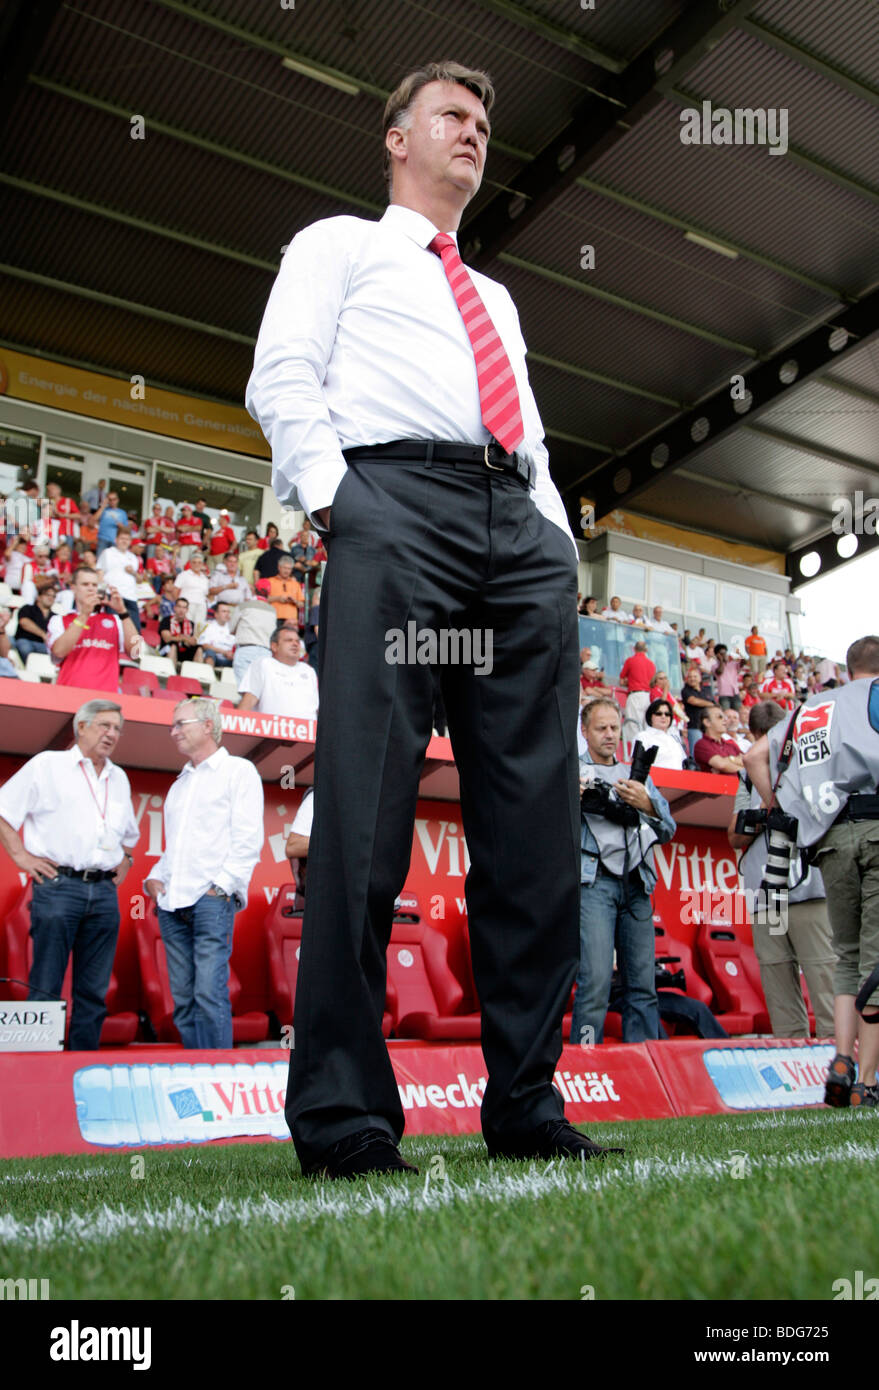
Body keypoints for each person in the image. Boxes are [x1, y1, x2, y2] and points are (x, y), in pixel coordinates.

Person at [246, 59, 614, 1176]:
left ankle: (526, 1104)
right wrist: (345, 506)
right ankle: (348, 1119)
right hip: (395, 509)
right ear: (398, 137)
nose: (477, 131)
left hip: (517, 532)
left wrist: (555, 546)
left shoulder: (496, 297)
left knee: (535, 830)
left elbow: (536, 445)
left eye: (486, 121)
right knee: (366, 816)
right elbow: (282, 376)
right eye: (454, 114)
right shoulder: (337, 244)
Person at [745, 636, 879, 1108]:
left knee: (847, 956)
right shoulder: (875, 696)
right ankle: (866, 1081)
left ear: (848, 667)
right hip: (876, 826)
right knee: (875, 963)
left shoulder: (812, 707)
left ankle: (841, 1060)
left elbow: (753, 757)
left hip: (830, 840)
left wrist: (778, 806)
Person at [0, 700, 138, 1049]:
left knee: (94, 989)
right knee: (46, 982)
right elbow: (4, 809)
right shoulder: (49, 765)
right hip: (58, 887)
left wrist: (127, 859)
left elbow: (129, 836)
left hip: (104, 892)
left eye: (118, 729)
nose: (112, 734)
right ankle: (37, 1067)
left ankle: (82, 1062)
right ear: (81, 726)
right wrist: (20, 855)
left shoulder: (118, 777)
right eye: (105, 725)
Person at [144, 698, 264, 1048]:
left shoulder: (239, 771)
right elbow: (174, 848)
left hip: (210, 901)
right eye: (173, 726)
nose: (174, 732)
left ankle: (216, 1074)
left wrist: (220, 889)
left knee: (209, 994)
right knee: (182, 1000)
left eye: (181, 724)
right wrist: (155, 876)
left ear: (208, 726)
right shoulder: (180, 783)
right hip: (171, 905)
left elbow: (248, 840)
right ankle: (194, 1071)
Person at [728, 700, 835, 1040]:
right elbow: (733, 835)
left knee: (825, 981)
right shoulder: (747, 777)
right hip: (767, 893)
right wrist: (764, 808)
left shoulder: (812, 765)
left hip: (808, 889)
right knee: (778, 985)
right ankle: (792, 1059)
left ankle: (843, 1062)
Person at [573, 699, 676, 1045]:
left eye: (614, 728)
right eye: (601, 728)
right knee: (595, 982)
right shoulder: (571, 772)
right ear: (584, 732)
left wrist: (645, 803)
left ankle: (646, 1066)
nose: (609, 735)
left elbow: (669, 829)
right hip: (594, 883)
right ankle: (585, 1062)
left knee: (643, 985)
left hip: (637, 884)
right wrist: (570, 799)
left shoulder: (635, 775)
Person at [47, 567, 140, 691]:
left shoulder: (115, 620)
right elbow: (59, 652)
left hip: (105, 697)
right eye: (85, 584)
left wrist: (123, 612)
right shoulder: (59, 620)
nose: (91, 588)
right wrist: (84, 614)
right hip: (68, 692)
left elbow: (135, 651)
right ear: (73, 588)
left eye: (94, 585)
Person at [237, 624, 318, 720]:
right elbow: (248, 702)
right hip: (270, 732)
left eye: (297, 641)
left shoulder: (309, 671)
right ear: (274, 646)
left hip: (306, 732)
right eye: (289, 640)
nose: (295, 644)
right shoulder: (263, 664)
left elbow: (317, 708)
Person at [229, 583, 277, 684]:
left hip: (246, 650)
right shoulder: (273, 611)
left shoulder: (244, 606)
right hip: (266, 652)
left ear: (254, 590)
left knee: (243, 688)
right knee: (260, 689)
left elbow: (231, 629)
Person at [97, 526, 142, 630]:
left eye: (127, 539)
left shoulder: (133, 557)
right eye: (122, 538)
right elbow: (100, 573)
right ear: (116, 540)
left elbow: (139, 580)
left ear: (130, 541)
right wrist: (100, 594)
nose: (124, 541)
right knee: (114, 628)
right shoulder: (108, 553)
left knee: (134, 630)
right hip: (113, 595)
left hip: (131, 597)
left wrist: (133, 573)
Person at [618, 640, 656, 751]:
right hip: (648, 697)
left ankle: (634, 754)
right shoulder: (651, 664)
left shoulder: (630, 661)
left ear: (634, 649)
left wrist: (629, 681)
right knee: (647, 727)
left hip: (635, 695)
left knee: (633, 727)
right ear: (646, 650)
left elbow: (621, 679)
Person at [634, 697, 686, 770]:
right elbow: (637, 765)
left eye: (667, 714)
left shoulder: (674, 740)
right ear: (650, 716)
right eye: (659, 713)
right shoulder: (643, 736)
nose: (663, 716)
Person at [13, 578, 58, 661]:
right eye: (47, 595)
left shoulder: (56, 616)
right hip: (26, 641)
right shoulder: (27, 608)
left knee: (58, 653)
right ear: (38, 597)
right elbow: (24, 622)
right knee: (25, 648)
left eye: (53, 596)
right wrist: (42, 634)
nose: (51, 598)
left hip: (45, 646)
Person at [693, 705, 744, 774]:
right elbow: (721, 765)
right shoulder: (701, 744)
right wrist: (736, 760)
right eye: (720, 717)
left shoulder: (731, 744)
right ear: (707, 722)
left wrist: (728, 761)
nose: (725, 720)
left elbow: (747, 762)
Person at [172, 550, 210, 630]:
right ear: (190, 563)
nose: (197, 564)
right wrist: (180, 606)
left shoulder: (204, 578)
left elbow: (206, 594)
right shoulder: (184, 575)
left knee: (199, 628)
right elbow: (175, 590)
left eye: (199, 562)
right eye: (194, 562)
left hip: (201, 605)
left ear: (202, 564)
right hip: (187, 605)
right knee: (187, 627)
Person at [159, 598, 201, 665]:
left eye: (184, 607)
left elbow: (193, 640)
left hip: (184, 651)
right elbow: (167, 638)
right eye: (179, 607)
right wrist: (184, 638)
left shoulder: (191, 624)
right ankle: (170, 673)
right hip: (167, 650)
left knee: (199, 649)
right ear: (175, 608)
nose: (181, 610)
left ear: (187, 610)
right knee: (173, 645)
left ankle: (197, 674)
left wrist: (193, 641)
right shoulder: (166, 620)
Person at [197, 602, 237, 669]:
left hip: (229, 659)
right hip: (214, 657)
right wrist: (224, 652)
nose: (227, 614)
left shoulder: (233, 628)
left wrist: (232, 654)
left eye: (228, 612)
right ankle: (208, 677)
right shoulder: (209, 626)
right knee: (210, 653)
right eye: (224, 611)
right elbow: (204, 645)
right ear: (216, 614)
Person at [95, 491, 129, 556]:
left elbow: (126, 530)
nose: (112, 501)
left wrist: (121, 526)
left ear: (118, 500)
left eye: (114, 499)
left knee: (113, 562)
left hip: (116, 541)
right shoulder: (103, 510)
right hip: (102, 539)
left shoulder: (123, 513)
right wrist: (102, 506)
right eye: (110, 500)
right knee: (100, 561)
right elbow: (94, 519)